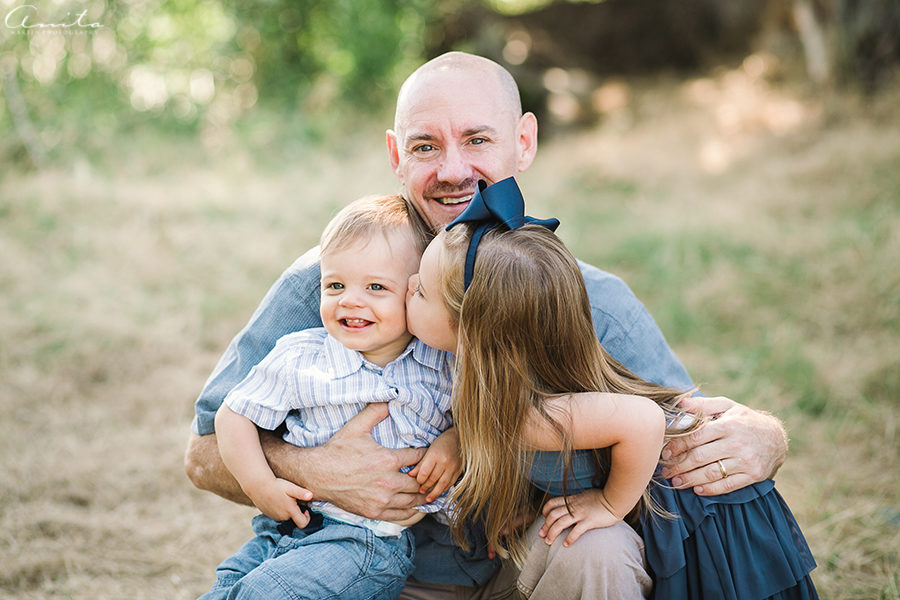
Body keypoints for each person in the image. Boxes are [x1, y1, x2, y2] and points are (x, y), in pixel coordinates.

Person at [185, 51, 791, 598]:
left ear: (523, 143)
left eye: (477, 140)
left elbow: (680, 420)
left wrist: (766, 437)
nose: (453, 170)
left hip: (521, 567)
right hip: (365, 566)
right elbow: (203, 454)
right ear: (396, 156)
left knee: (598, 551)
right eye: (426, 146)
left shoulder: (587, 301)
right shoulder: (331, 288)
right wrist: (316, 469)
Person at [404, 176, 818, 599]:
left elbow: (643, 420)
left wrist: (607, 504)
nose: (407, 287)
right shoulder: (530, 369)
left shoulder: (528, 414)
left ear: (470, 332)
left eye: (419, 291)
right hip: (685, 511)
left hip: (705, 513)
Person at [199, 194, 462, 599]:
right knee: (227, 590)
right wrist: (260, 485)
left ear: (416, 291)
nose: (350, 300)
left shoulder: (441, 362)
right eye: (335, 285)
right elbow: (233, 416)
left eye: (376, 287)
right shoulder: (301, 357)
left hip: (366, 544)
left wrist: (455, 440)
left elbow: (488, 419)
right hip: (285, 528)